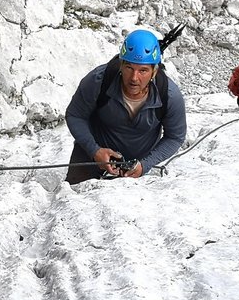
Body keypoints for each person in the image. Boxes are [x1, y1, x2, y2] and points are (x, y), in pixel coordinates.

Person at [64, 29, 187, 184]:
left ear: (154, 72)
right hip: (92, 158)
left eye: (143, 70)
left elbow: (175, 137)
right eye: (129, 68)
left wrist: (145, 164)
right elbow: (75, 115)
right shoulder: (99, 81)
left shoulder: (169, 95)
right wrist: (94, 151)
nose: (134, 78)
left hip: (138, 165)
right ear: (121, 65)